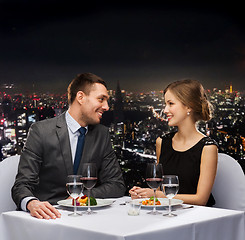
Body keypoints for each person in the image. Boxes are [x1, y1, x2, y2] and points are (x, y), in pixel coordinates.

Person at [12, 73, 126, 219]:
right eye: (101, 99)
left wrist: (82, 197)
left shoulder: (102, 134)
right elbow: (21, 185)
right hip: (48, 218)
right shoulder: (41, 131)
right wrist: (32, 203)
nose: (106, 107)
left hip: (88, 218)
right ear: (80, 97)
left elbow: (116, 185)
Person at [129, 79, 218, 206]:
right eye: (165, 104)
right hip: (167, 213)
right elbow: (158, 188)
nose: (165, 110)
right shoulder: (162, 142)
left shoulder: (208, 147)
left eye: (171, 104)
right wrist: (142, 194)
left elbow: (201, 199)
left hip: (197, 216)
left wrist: (157, 195)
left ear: (189, 106)